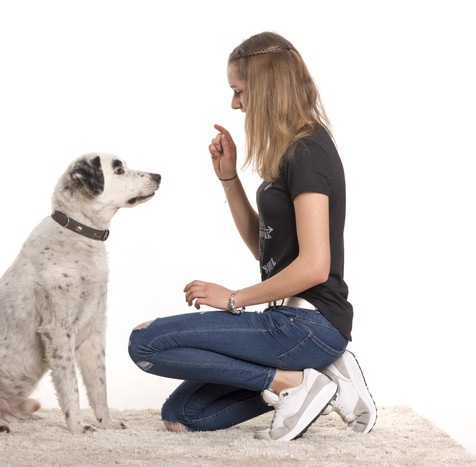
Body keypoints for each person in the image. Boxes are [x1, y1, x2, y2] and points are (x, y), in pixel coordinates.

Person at [128, 31, 376, 441]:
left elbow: (315, 266)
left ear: (266, 88)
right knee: (184, 413)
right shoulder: (290, 153)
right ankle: (307, 376)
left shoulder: (308, 151)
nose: (234, 103)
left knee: (146, 343)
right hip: (287, 321)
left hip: (308, 323)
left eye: (238, 91)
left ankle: (293, 383)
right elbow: (266, 248)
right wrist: (229, 179)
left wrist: (232, 299)